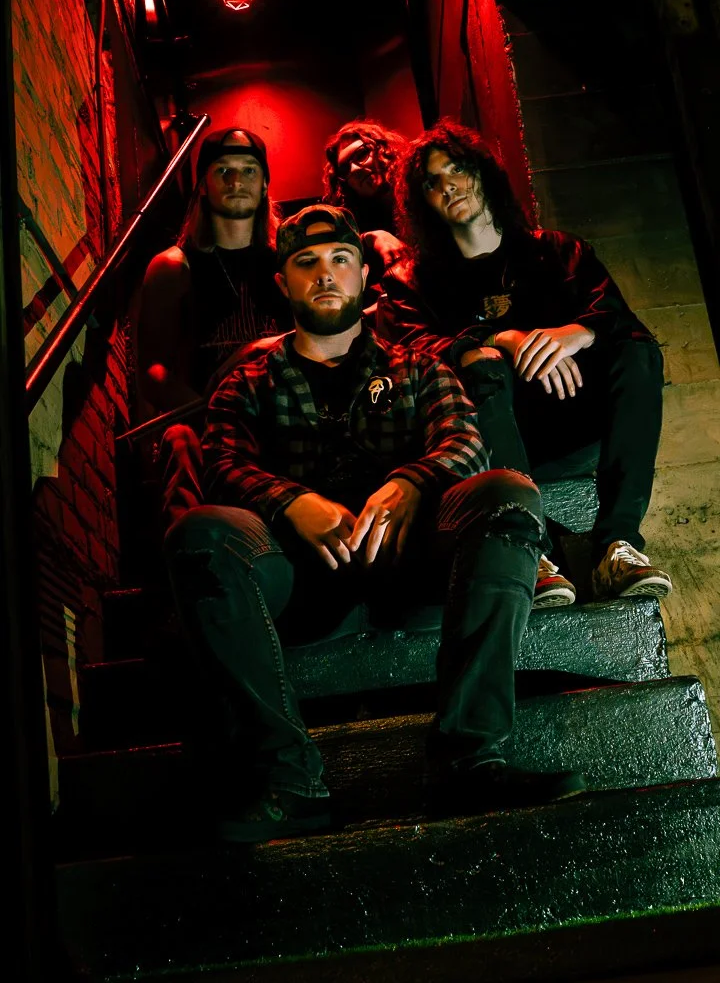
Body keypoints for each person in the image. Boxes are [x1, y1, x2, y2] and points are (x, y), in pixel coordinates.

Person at [163, 203, 587, 844]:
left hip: (411, 566)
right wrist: (291, 502)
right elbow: (222, 464)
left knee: (507, 493)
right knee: (200, 532)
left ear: (363, 276)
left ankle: (470, 758)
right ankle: (289, 778)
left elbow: (466, 441)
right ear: (283, 282)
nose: (324, 274)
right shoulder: (247, 381)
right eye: (306, 262)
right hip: (299, 581)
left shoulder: (416, 366)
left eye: (340, 260)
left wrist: (411, 481)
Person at [375, 116, 672, 604]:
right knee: (481, 362)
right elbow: (411, 351)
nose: (449, 186)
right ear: (422, 200)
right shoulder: (411, 282)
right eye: (432, 181)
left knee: (638, 350)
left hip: (575, 420)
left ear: (483, 173)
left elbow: (616, 317)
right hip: (492, 436)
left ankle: (617, 545)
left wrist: (575, 334)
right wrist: (502, 339)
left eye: (458, 169)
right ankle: (534, 553)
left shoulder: (556, 252)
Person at [136, 126, 291, 525]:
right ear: (203, 185)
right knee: (179, 441)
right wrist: (214, 413)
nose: (236, 180)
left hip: (285, 423)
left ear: (265, 185)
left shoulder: (290, 262)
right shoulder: (174, 266)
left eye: (249, 170)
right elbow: (152, 371)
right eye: (223, 170)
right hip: (206, 427)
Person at [322, 118, 408, 300]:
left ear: (383, 150)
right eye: (344, 168)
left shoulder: (419, 192)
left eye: (361, 154)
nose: (354, 169)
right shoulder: (350, 221)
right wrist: (371, 238)